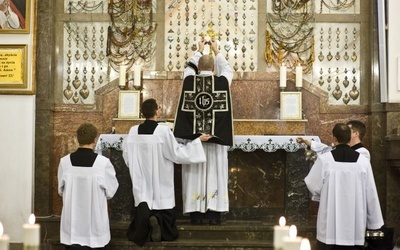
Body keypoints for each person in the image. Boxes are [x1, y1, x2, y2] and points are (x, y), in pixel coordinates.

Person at [122, 98, 212, 246]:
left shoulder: (133, 131)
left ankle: (146, 226)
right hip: (160, 178)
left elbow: (127, 155)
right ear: (157, 111)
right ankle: (159, 223)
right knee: (162, 202)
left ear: (142, 113)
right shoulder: (163, 131)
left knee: (143, 202)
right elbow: (176, 153)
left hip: (141, 179)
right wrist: (197, 141)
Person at [174, 39, 234, 225]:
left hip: (195, 140)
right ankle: (214, 215)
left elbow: (188, 68)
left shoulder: (189, 80)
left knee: (195, 174)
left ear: (199, 67)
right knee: (215, 173)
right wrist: (216, 50)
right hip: (215, 140)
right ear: (213, 67)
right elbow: (228, 69)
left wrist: (199, 50)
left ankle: (196, 215)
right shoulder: (222, 82)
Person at [304, 123, 384, 250]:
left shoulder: (325, 160)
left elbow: (311, 183)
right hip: (355, 228)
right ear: (349, 138)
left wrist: (324, 195)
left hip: (329, 227)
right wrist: (375, 223)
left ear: (334, 138)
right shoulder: (363, 162)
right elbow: (371, 192)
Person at [58, 123, 119, 250]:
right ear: (94, 140)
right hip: (95, 225)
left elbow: (60, 190)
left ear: (77, 139)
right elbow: (111, 192)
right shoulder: (103, 163)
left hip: (72, 225)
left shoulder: (65, 162)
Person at [297, 120, 370, 160]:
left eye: (348, 130)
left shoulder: (363, 153)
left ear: (356, 134)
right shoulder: (344, 149)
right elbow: (326, 149)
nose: (345, 132)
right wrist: (308, 142)